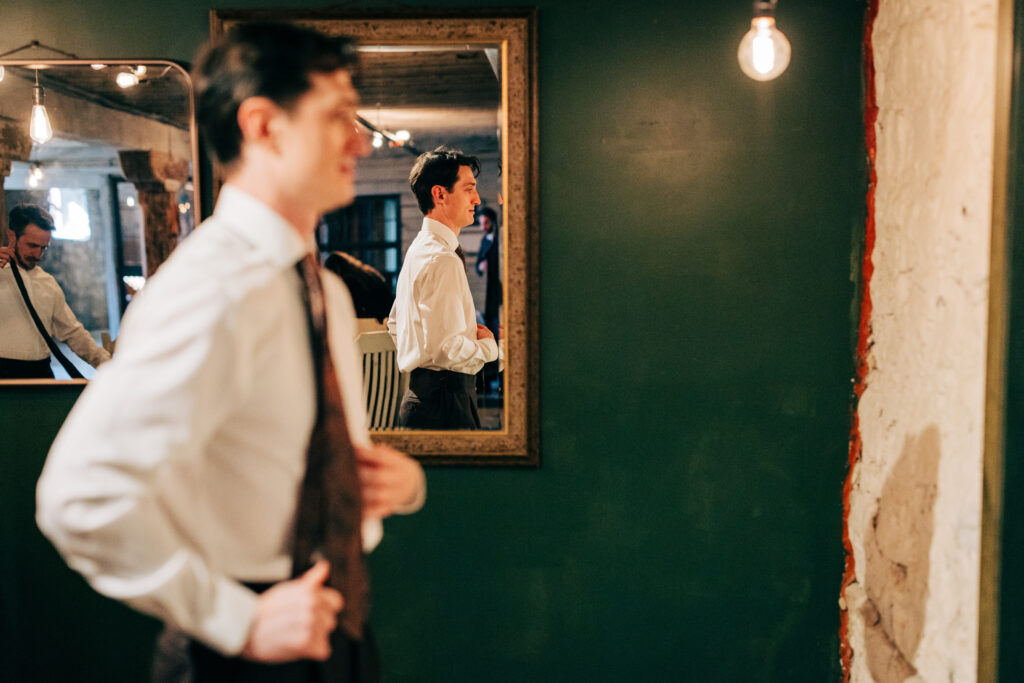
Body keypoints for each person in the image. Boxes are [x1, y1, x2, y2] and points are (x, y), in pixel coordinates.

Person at [36, 23, 425, 683]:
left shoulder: (320, 288)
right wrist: (237, 620)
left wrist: (397, 484)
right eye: (336, 117)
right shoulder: (213, 285)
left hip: (332, 620)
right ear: (264, 126)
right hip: (239, 653)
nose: (359, 140)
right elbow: (79, 494)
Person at [388, 146, 498, 429]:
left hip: (422, 401)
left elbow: (394, 323)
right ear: (439, 194)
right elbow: (446, 348)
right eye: (468, 189)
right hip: (446, 406)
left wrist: (422, 355)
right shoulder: (441, 259)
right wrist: (488, 348)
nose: (476, 198)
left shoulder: (419, 250)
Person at [0, 203, 111, 379]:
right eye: (32, 245)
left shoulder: (47, 283)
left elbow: (73, 333)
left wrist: (109, 365)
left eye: (44, 248)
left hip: (41, 373)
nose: (37, 255)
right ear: (12, 236)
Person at [324, 250, 394, 323]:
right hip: (386, 318)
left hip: (370, 322)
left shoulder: (349, 281)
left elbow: (354, 310)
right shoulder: (368, 272)